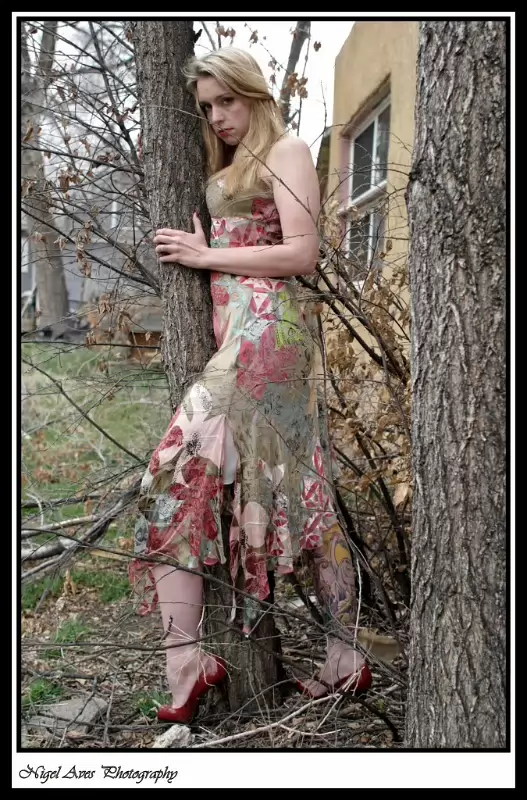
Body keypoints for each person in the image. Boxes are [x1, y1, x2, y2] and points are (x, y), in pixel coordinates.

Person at [129, 47, 372, 724]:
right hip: (241, 337)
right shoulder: (228, 164)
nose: (216, 116)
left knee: (174, 476)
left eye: (226, 101)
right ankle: (341, 655)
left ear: (254, 94)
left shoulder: (287, 149)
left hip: (269, 337)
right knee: (292, 489)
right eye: (206, 106)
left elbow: (302, 251)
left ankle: (189, 663)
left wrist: (207, 253)